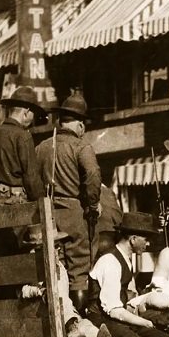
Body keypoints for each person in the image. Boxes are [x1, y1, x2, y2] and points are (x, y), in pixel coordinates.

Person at [36, 90, 101, 313]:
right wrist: (92, 205)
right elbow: (93, 175)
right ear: (80, 125)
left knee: (56, 265)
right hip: (74, 212)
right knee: (79, 269)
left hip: (47, 212)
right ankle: (78, 320)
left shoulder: (41, 147)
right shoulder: (81, 146)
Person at [20, 225, 111, 337]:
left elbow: (61, 294)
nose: (56, 251)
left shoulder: (58, 268)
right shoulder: (27, 267)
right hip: (38, 313)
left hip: (60, 310)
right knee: (68, 311)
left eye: (57, 247)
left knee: (79, 320)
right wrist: (40, 291)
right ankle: (81, 331)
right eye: (50, 247)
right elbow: (23, 291)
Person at [0, 87, 48, 256]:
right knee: (21, 255)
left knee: (3, 255)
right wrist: (42, 204)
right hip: (16, 206)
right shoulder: (22, 136)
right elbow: (31, 177)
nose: (33, 120)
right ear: (26, 112)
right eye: (33, 114)